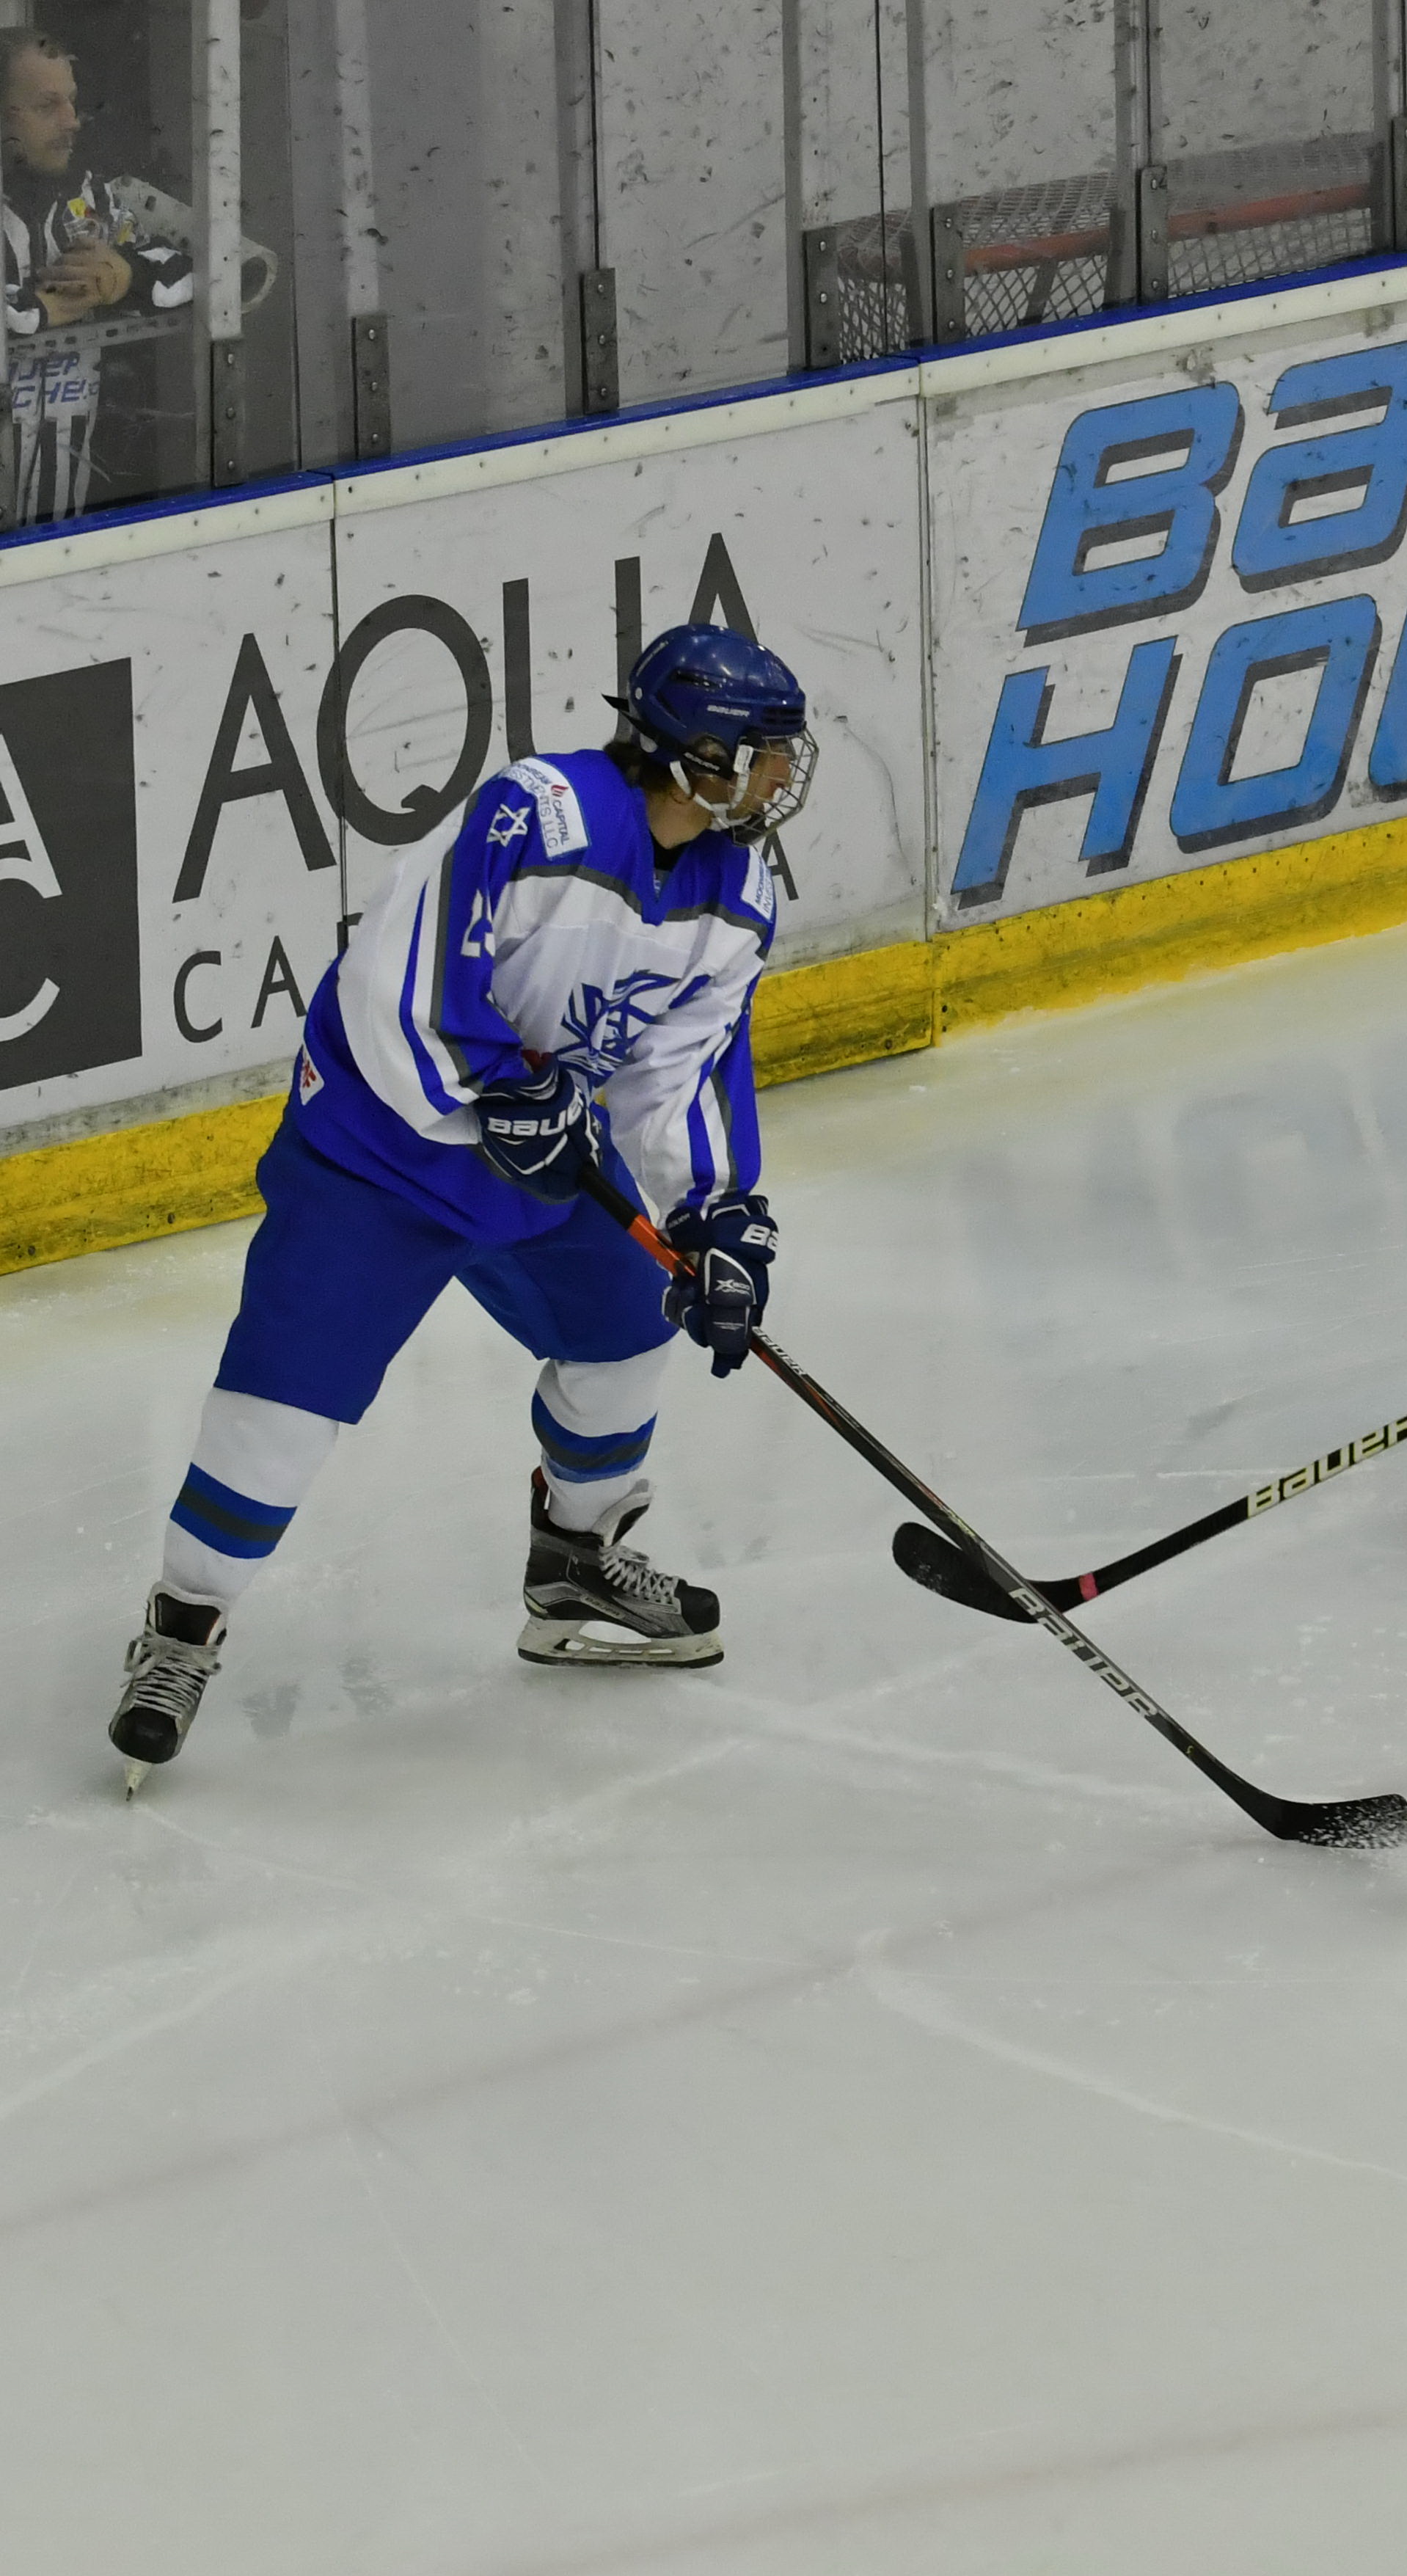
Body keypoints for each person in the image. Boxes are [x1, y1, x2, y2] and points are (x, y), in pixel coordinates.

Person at [105, 627, 815, 1791]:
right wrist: (494, 1092)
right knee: (283, 1407)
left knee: (628, 1332)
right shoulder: (540, 814)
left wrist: (718, 1217)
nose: (784, 773)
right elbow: (399, 977)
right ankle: (182, 1629)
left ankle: (574, 1566)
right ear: (699, 755)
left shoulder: (739, 893)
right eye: (768, 750)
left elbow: (682, 1070)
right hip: (380, 1156)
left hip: (544, 1163)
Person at [3, 26, 194, 529]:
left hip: (69, 530)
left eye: (71, 102)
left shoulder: (97, 203)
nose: (71, 121)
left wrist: (129, 276)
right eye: (47, 106)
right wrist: (33, 310)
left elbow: (224, 270)